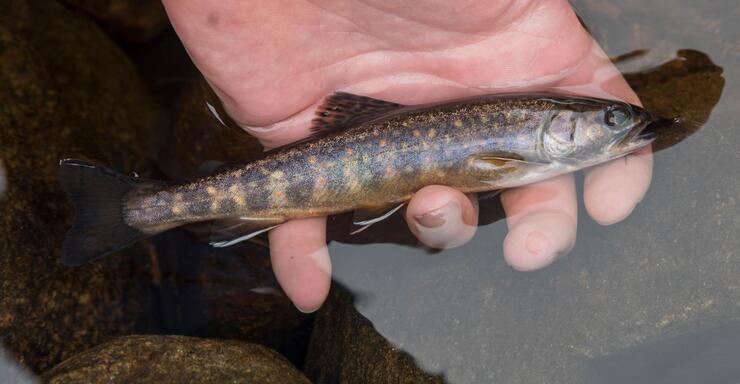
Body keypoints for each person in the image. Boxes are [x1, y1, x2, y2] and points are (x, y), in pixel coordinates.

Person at [162, 0, 652, 312]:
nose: (624, 123)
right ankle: (155, 208)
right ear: (559, 125)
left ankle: (161, 208)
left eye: (615, 120)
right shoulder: (525, 144)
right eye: (611, 120)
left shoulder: (528, 136)